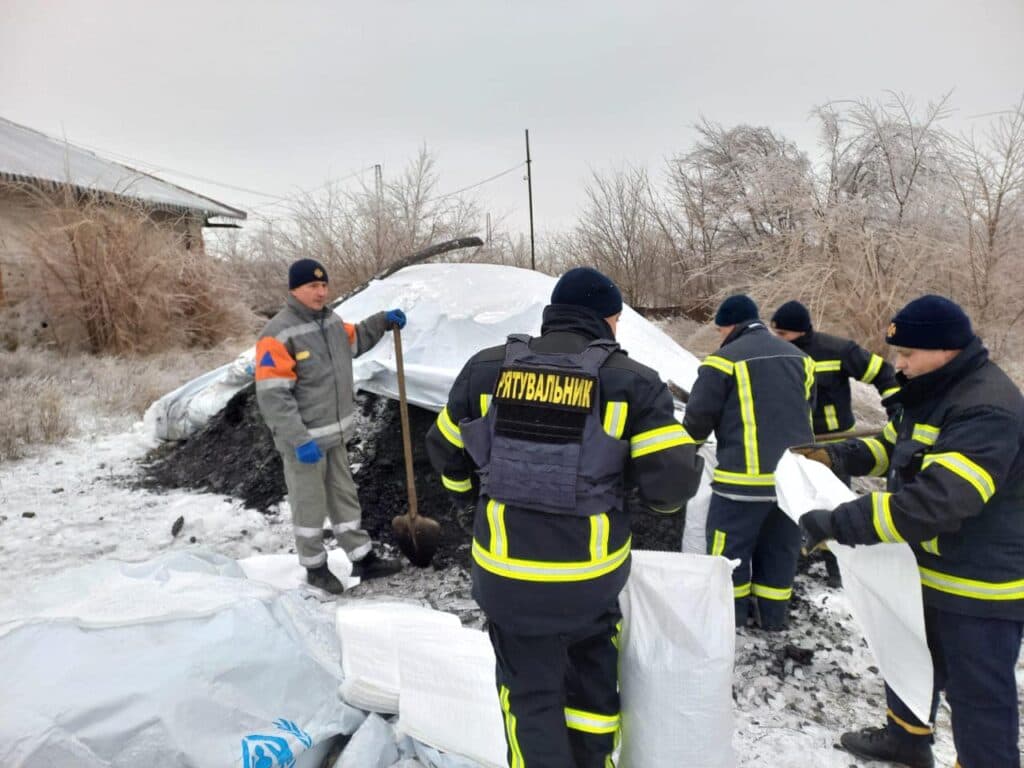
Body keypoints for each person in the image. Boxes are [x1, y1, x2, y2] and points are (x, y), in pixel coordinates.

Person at [425, 267, 703, 768]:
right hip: (589, 583)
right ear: (611, 320)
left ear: (552, 313)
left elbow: (445, 453)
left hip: (508, 579)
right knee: (592, 697)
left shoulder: (485, 370)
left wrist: (469, 502)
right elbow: (672, 488)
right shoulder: (634, 383)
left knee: (529, 700)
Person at [798, 295, 1024, 768]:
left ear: (946, 349)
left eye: (908, 355)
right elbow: (897, 448)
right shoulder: (934, 390)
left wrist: (839, 523)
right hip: (926, 568)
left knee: (978, 693)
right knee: (909, 658)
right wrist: (840, 457)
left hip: (979, 584)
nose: (898, 364)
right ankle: (906, 741)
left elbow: (937, 504)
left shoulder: (987, 410)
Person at [255, 258, 406, 594]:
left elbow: (357, 338)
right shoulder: (277, 335)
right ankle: (315, 567)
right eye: (312, 286)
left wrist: (382, 320)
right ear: (295, 289)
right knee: (308, 504)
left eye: (323, 285)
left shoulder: (332, 323)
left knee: (344, 498)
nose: (320, 292)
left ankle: (362, 558)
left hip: (335, 436)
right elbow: (272, 396)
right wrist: (297, 439)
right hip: (304, 442)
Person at [682, 294, 815, 630]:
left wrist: (687, 449)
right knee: (780, 550)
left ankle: (733, 623)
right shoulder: (802, 359)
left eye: (719, 330)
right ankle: (773, 621)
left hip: (740, 486)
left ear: (729, 326)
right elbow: (803, 410)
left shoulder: (721, 362)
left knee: (730, 556)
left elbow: (699, 419)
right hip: (791, 485)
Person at [771, 299, 900, 588]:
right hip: (794, 443)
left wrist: (897, 411)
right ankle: (793, 561)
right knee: (790, 501)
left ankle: (837, 568)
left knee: (833, 502)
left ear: (800, 331)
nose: (776, 339)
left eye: (782, 334)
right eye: (774, 333)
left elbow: (883, 373)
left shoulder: (837, 351)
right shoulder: (776, 355)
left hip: (835, 445)